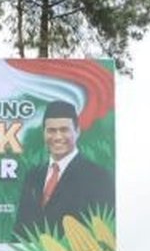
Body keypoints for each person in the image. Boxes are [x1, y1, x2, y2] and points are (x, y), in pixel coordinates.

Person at [14, 100, 115, 235]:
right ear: (43, 133)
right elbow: (20, 231)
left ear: (77, 131)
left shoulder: (98, 177)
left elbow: (106, 231)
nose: (57, 137)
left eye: (64, 130)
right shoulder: (33, 176)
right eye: (51, 131)